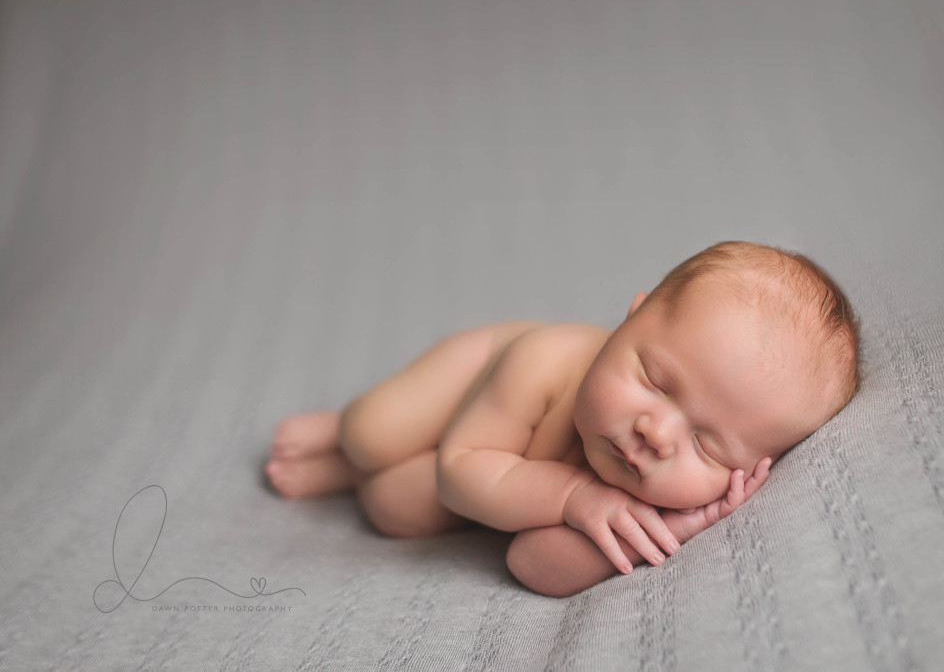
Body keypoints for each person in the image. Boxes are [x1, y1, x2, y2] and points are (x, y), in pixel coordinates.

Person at [264, 241, 861, 596]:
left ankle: (349, 476)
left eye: (707, 445)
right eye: (654, 381)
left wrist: (677, 527)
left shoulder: (666, 492)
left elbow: (532, 565)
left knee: (391, 506)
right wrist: (577, 494)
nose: (657, 434)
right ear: (633, 315)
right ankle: (340, 433)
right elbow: (461, 469)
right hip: (479, 396)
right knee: (376, 431)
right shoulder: (544, 361)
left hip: (501, 478)